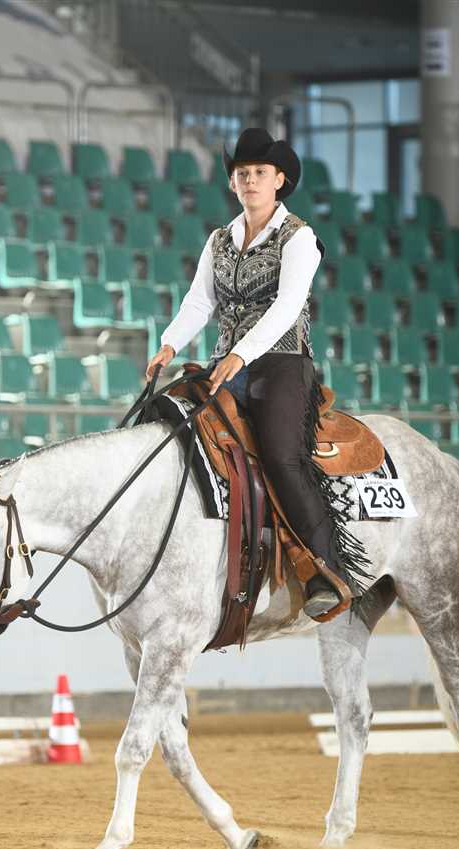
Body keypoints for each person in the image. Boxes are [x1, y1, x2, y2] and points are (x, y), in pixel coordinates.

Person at [146, 127, 367, 617]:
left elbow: (288, 307)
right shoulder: (219, 240)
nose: (249, 180)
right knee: (174, 424)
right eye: (242, 173)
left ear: (279, 179)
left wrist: (241, 355)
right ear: (232, 183)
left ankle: (324, 569)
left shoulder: (299, 237)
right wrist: (169, 343)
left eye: (259, 172)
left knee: (283, 456)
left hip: (283, 363)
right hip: (229, 363)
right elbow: (199, 301)